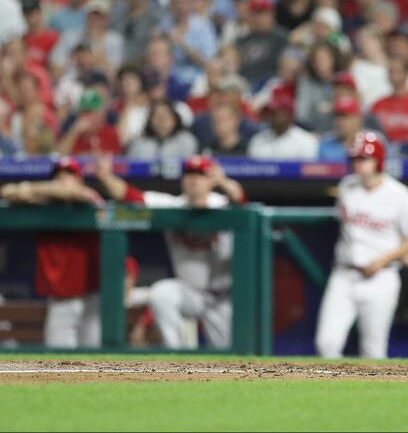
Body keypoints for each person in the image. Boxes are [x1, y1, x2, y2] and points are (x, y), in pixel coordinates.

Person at [94, 154, 246, 349]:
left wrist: (224, 182)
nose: (193, 180)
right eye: (189, 174)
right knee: (161, 294)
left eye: (200, 175)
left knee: (231, 358)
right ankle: (177, 355)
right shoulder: (174, 206)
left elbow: (240, 198)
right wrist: (107, 178)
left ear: (210, 181)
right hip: (189, 292)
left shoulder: (222, 204)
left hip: (221, 298)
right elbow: (131, 196)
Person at [315, 132, 408, 359]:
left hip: (381, 277)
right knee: (326, 343)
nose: (358, 164)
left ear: (379, 161)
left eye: (364, 159)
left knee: (373, 351)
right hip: (344, 274)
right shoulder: (346, 187)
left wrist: (382, 260)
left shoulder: (400, 195)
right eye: (355, 159)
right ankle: (332, 393)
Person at [0, 157, 103, 348]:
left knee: (97, 361)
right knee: (60, 362)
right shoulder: (44, 204)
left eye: (69, 174)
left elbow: (72, 192)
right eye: (59, 175)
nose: (63, 179)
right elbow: (6, 192)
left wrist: (28, 188)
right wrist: (29, 192)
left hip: (93, 297)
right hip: (63, 299)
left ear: (80, 179)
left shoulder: (90, 196)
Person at [247, 87, 319, 160]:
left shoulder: (306, 141)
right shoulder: (257, 140)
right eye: (270, 113)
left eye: (276, 114)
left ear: (290, 116)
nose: (272, 118)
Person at [127, 100, 198, 159]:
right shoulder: (139, 142)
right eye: (157, 117)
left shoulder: (186, 141)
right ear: (150, 121)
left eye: (165, 116)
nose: (161, 121)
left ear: (175, 119)